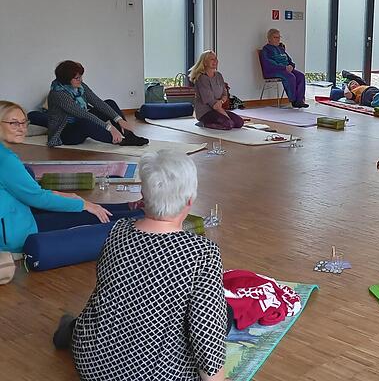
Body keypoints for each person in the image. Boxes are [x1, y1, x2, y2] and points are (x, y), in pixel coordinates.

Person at [53, 150, 229, 381]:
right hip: (155, 373)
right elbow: (206, 332)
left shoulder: (118, 231)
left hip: (92, 362)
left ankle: (70, 331)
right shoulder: (202, 252)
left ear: (144, 196)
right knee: (223, 314)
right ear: (189, 201)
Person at [0, 100, 143, 255]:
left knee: (84, 205)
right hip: (16, 232)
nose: (22, 129)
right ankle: (142, 217)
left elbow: (30, 192)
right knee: (88, 214)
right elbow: (37, 198)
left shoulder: (5, 155)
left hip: (18, 216)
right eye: (14, 124)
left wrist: (73, 198)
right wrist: (82, 205)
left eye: (24, 122)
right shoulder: (6, 160)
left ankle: (128, 207)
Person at [28, 60, 148, 147]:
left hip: (79, 120)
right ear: (66, 79)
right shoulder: (58, 94)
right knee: (86, 121)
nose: (80, 80)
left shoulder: (80, 86)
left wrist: (118, 120)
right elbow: (83, 114)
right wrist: (109, 128)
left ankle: (129, 135)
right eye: (77, 78)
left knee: (109, 103)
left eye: (80, 76)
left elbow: (97, 102)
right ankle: (119, 140)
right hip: (66, 132)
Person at [189, 50, 244, 130]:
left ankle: (224, 120)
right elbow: (213, 104)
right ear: (205, 62)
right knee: (228, 124)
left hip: (218, 109)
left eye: (215, 59)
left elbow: (225, 94)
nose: (215, 61)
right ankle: (204, 123)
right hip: (205, 112)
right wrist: (227, 117)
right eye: (211, 59)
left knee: (239, 123)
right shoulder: (202, 78)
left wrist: (221, 101)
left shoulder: (218, 75)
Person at [261, 29, 308, 108]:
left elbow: (289, 60)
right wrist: (284, 67)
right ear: (269, 38)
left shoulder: (281, 49)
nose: (278, 39)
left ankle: (299, 100)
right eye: (275, 37)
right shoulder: (266, 50)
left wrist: (291, 66)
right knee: (290, 77)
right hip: (274, 71)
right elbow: (269, 64)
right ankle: (293, 100)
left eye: (279, 37)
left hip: (286, 69)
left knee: (300, 76)